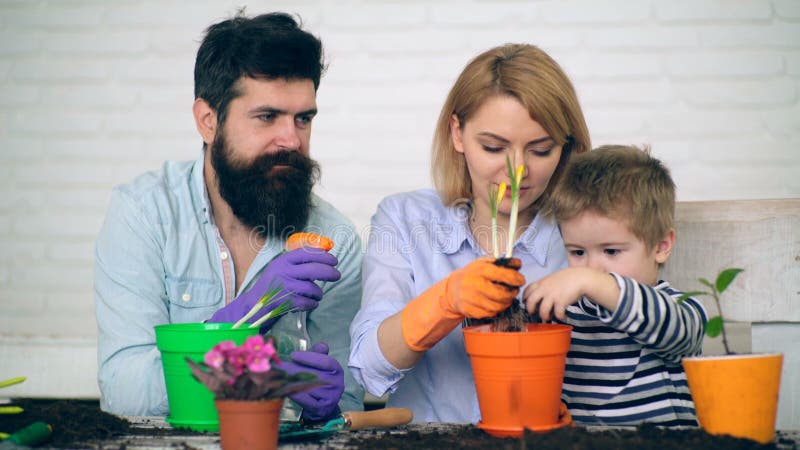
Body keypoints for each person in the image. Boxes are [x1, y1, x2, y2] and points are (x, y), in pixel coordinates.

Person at [94, 11, 364, 421]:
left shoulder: (334, 238)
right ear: (208, 120)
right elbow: (125, 394)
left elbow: (345, 407)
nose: (291, 140)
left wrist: (326, 406)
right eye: (267, 117)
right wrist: (240, 325)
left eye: (303, 119)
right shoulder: (143, 214)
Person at [349, 44, 591, 422]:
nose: (518, 170)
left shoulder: (585, 236)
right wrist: (444, 302)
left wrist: (583, 414)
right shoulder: (404, 220)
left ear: (566, 147)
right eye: (494, 147)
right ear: (457, 134)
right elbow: (368, 369)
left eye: (541, 150)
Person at [524, 145, 707, 425]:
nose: (592, 268)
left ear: (661, 245)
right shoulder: (565, 313)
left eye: (611, 251)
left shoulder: (679, 309)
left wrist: (589, 281)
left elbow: (678, 334)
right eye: (577, 252)